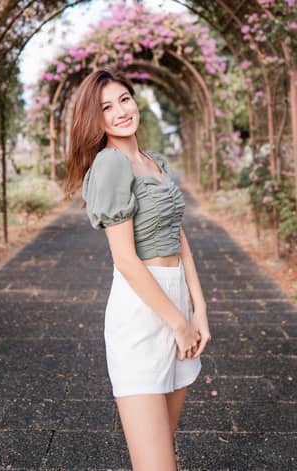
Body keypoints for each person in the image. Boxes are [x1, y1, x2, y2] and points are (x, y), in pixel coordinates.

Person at [66, 67, 211, 471]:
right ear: (95, 121)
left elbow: (181, 242)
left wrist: (198, 310)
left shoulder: (154, 161)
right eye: (106, 108)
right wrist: (177, 323)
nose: (119, 112)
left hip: (177, 302)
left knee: (165, 449)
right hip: (141, 313)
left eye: (124, 99)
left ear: (135, 99)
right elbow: (126, 261)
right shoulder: (111, 165)